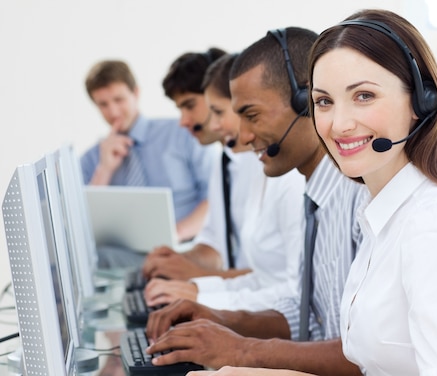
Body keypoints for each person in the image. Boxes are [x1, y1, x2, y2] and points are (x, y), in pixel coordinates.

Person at [188, 8, 437, 376]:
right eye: (324, 102)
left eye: (364, 96)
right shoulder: (383, 218)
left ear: (422, 103)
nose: (338, 124)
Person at [143, 27, 366, 376]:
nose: (243, 137)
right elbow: (307, 312)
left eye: (252, 115)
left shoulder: (356, 198)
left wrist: (243, 350)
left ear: (304, 102)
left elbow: (365, 354)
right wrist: (216, 316)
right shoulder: (317, 197)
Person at [143, 53, 306, 312]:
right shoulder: (229, 162)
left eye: (190, 106)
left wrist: (197, 286)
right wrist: (187, 275)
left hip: (261, 311)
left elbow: (289, 288)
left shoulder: (283, 176)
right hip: (249, 303)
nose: (183, 121)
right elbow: (221, 248)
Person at [81, 60, 214, 266]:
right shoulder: (92, 158)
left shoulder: (183, 134)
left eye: (119, 99)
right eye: (103, 104)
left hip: (185, 247)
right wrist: (105, 169)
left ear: (136, 93)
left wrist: (174, 234)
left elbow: (214, 198)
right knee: (90, 261)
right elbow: (84, 223)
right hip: (125, 259)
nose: (113, 112)